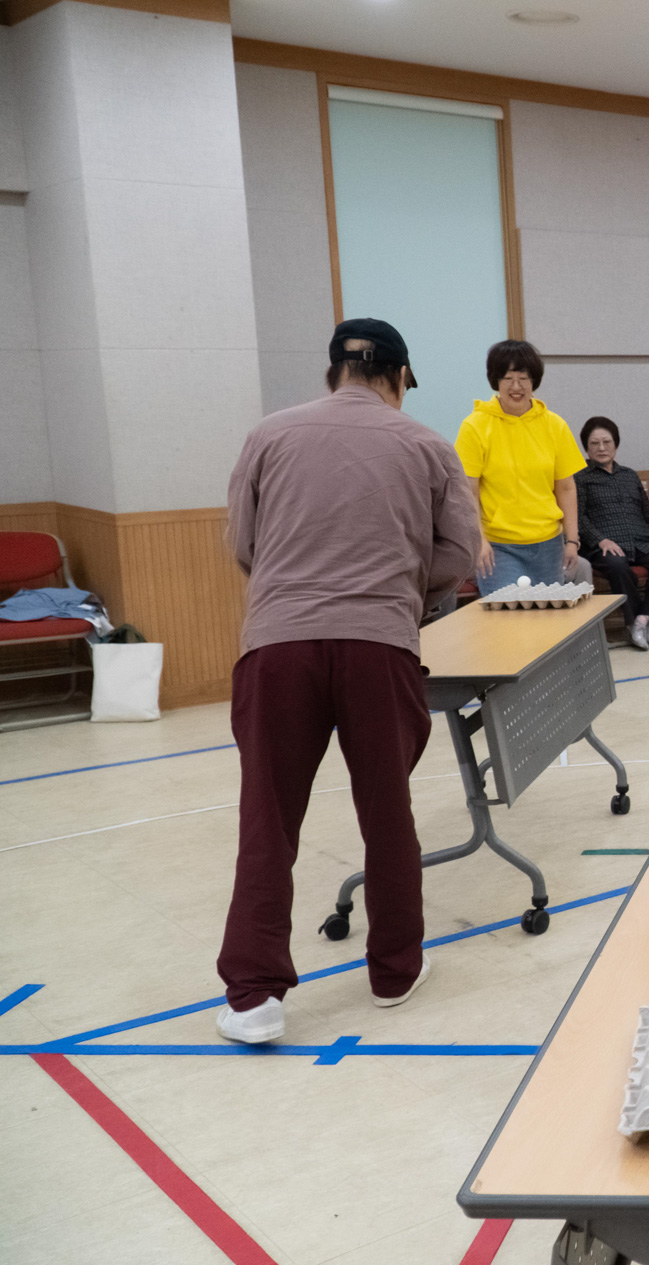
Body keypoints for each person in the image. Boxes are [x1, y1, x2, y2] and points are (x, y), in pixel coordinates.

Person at [215, 319, 482, 1045]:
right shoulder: (427, 445)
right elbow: (459, 549)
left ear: (333, 371)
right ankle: (394, 972)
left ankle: (254, 998)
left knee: (267, 817)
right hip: (380, 646)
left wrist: (291, 587)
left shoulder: (268, 435)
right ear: (398, 377)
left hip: (278, 647)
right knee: (387, 811)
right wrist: (402, 589)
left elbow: (243, 542)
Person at [456, 340, 585, 593]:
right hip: (499, 547)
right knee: (508, 613)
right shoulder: (475, 426)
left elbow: (566, 488)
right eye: (507, 378)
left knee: (548, 614)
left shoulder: (555, 425)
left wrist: (572, 540)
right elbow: (467, 491)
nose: (516, 387)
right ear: (496, 381)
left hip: (549, 544)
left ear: (534, 381)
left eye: (523, 378)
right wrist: (479, 540)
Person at [575, 416, 649, 650]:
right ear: (586, 448)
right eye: (595, 443)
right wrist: (600, 540)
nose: (602, 448)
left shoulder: (630, 475)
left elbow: (648, 514)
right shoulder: (580, 477)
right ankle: (632, 623)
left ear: (615, 444)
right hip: (604, 544)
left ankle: (643, 619)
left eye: (606, 442)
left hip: (641, 541)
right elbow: (578, 517)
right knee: (617, 565)